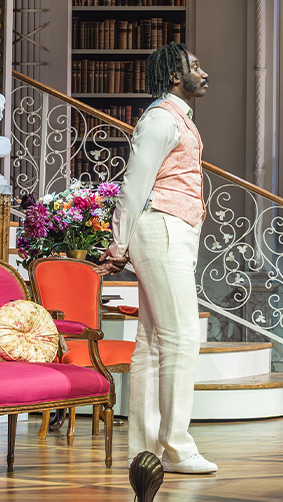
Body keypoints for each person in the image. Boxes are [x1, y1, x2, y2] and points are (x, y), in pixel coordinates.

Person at [95, 42, 217, 474]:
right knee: (182, 336)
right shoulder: (161, 119)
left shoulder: (177, 117)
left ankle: (146, 449)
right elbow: (135, 184)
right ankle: (176, 446)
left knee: (151, 341)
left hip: (172, 228)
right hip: (161, 227)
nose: (204, 72)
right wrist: (118, 243)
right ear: (174, 76)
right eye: (195, 67)